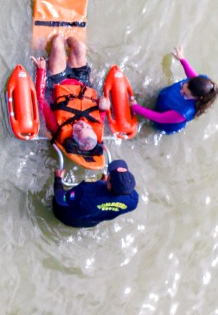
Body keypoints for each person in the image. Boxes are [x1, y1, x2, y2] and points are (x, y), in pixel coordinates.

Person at [34, 33, 111, 167]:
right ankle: (68, 38)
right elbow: (102, 109)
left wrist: (41, 71)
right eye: (87, 127)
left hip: (59, 81)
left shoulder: (57, 126)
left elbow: (40, 99)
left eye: (79, 129)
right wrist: (104, 104)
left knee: (57, 43)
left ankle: (59, 39)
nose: (83, 123)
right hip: (82, 82)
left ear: (73, 137)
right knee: (80, 47)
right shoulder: (95, 124)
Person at [131, 45, 218, 134]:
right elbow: (191, 75)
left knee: (146, 126)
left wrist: (136, 108)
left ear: (197, 97)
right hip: (164, 99)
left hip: (163, 123)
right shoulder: (200, 82)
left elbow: (159, 117)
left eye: (185, 94)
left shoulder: (183, 112)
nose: (181, 91)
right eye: (182, 86)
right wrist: (182, 59)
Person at [52, 159, 139, 228]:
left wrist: (58, 179)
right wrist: (102, 184)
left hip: (65, 216)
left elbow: (61, 199)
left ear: (109, 184)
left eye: (111, 174)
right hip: (89, 223)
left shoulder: (87, 189)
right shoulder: (133, 200)